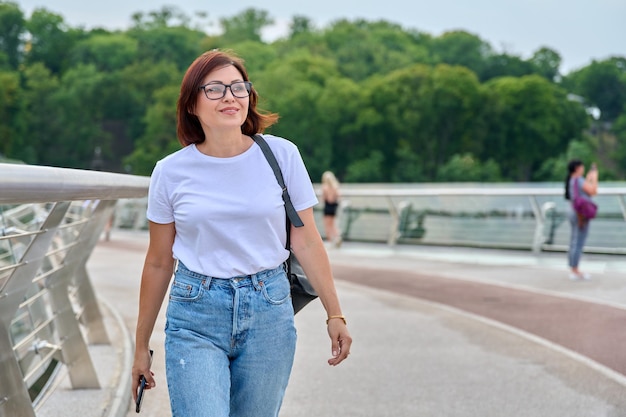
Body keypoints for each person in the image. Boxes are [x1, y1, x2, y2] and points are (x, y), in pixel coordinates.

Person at [131, 50, 352, 417]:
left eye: (238, 87)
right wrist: (141, 344)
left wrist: (335, 314)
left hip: (269, 311)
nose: (230, 96)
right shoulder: (170, 172)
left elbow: (307, 240)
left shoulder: (282, 155)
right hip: (195, 312)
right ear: (191, 104)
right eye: (215, 89)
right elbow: (158, 262)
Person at [564, 159, 598, 281]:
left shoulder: (571, 180)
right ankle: (575, 270)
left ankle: (573, 268)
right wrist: (594, 178)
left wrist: (588, 179)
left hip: (572, 211)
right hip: (580, 214)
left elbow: (582, 191)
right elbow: (593, 191)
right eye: (582, 167)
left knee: (574, 239)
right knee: (579, 240)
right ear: (577, 168)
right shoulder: (578, 180)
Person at [321, 171, 342, 246]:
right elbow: (339, 196)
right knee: (333, 224)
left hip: (327, 206)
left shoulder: (324, 187)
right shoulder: (335, 186)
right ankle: (337, 237)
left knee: (327, 225)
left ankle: (330, 241)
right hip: (334, 207)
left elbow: (324, 198)